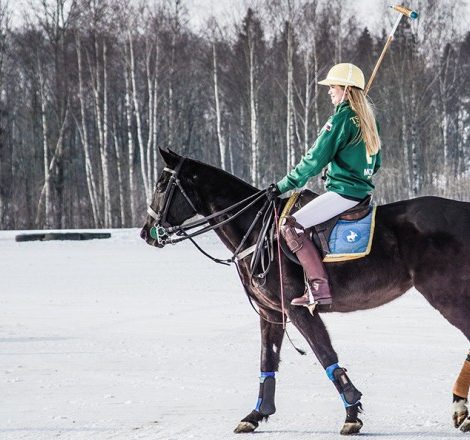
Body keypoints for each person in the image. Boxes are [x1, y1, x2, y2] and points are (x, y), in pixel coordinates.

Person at [270, 63, 382, 308]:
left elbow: (314, 158)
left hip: (343, 193)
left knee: (290, 226)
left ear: (346, 90)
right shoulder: (368, 120)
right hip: (360, 193)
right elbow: (376, 164)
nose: (330, 91)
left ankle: (318, 287)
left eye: (333, 86)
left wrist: (283, 185)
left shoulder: (341, 119)